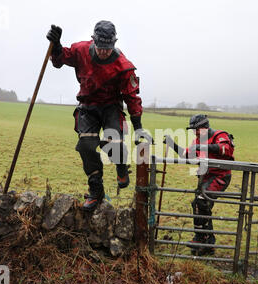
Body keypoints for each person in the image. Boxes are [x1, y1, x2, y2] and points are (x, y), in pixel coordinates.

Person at [46, 21, 145, 212]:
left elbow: (132, 98)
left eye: (108, 48)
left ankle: (121, 166)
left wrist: (138, 126)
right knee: (86, 146)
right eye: (100, 47)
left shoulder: (124, 67)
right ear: (94, 41)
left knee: (111, 142)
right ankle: (96, 190)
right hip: (88, 106)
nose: (104, 52)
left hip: (111, 107)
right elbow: (60, 60)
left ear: (114, 44)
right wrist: (56, 46)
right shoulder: (80, 50)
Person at [164, 115, 235, 255]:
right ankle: (204, 240)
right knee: (198, 205)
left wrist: (201, 146)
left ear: (204, 127)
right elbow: (187, 155)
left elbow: (226, 149)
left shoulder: (219, 135)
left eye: (196, 129)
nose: (194, 132)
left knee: (202, 202)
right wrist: (172, 144)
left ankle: (204, 240)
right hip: (205, 177)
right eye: (193, 130)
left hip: (220, 176)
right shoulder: (197, 140)